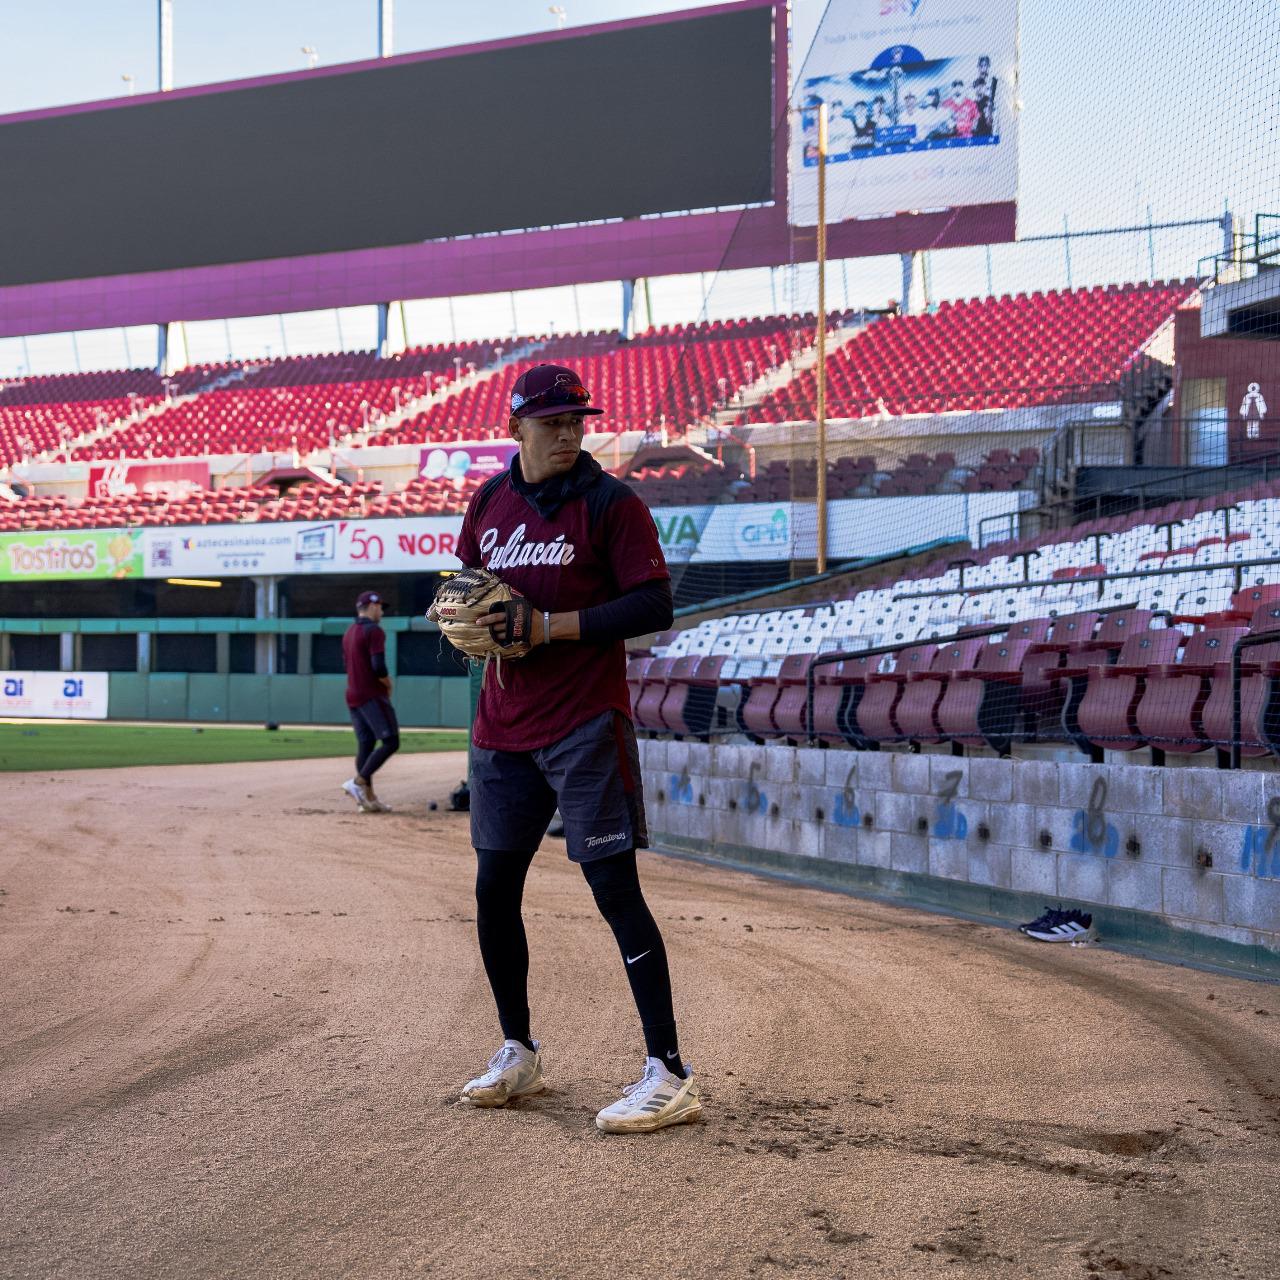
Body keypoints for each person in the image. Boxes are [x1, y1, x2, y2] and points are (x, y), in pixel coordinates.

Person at [451, 362, 698, 1134]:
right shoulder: (489, 502)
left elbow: (655, 603)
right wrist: (460, 620)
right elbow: (464, 585)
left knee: (614, 893)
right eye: (552, 422)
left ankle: (668, 1070)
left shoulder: (611, 505)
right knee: (495, 891)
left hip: (585, 724)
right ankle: (517, 1048)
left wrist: (549, 627)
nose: (568, 433)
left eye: (576, 421)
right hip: (502, 729)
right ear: (516, 427)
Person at [341, 590, 399, 813]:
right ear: (372, 606)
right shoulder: (374, 631)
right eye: (380, 607)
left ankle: (368, 799)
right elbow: (378, 667)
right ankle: (357, 783)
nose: (382, 611)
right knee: (391, 741)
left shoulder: (349, 632)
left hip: (353, 695)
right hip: (371, 695)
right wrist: (387, 683)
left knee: (366, 744)